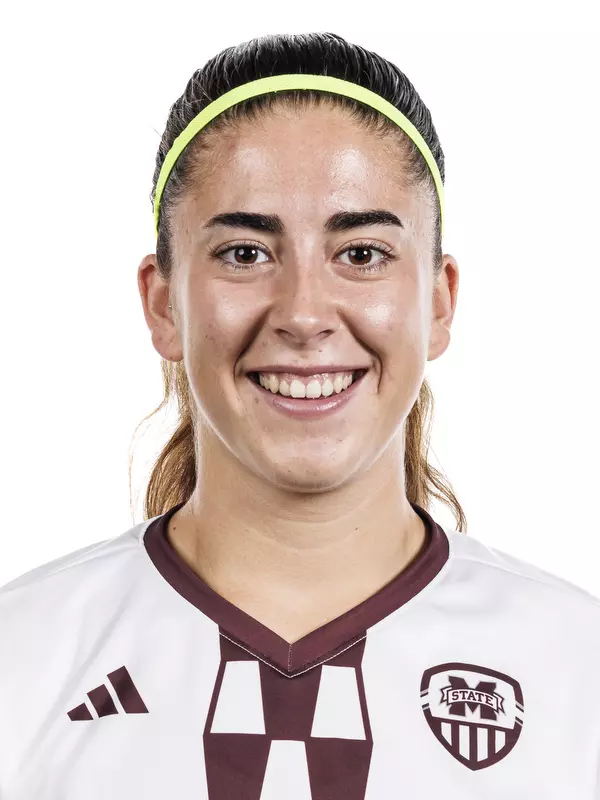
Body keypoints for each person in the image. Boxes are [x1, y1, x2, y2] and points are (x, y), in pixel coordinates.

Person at [1, 31, 599, 800]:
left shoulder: (576, 673)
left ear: (440, 300)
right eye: (246, 253)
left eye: (361, 254)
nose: (305, 314)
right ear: (162, 304)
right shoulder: (23, 661)